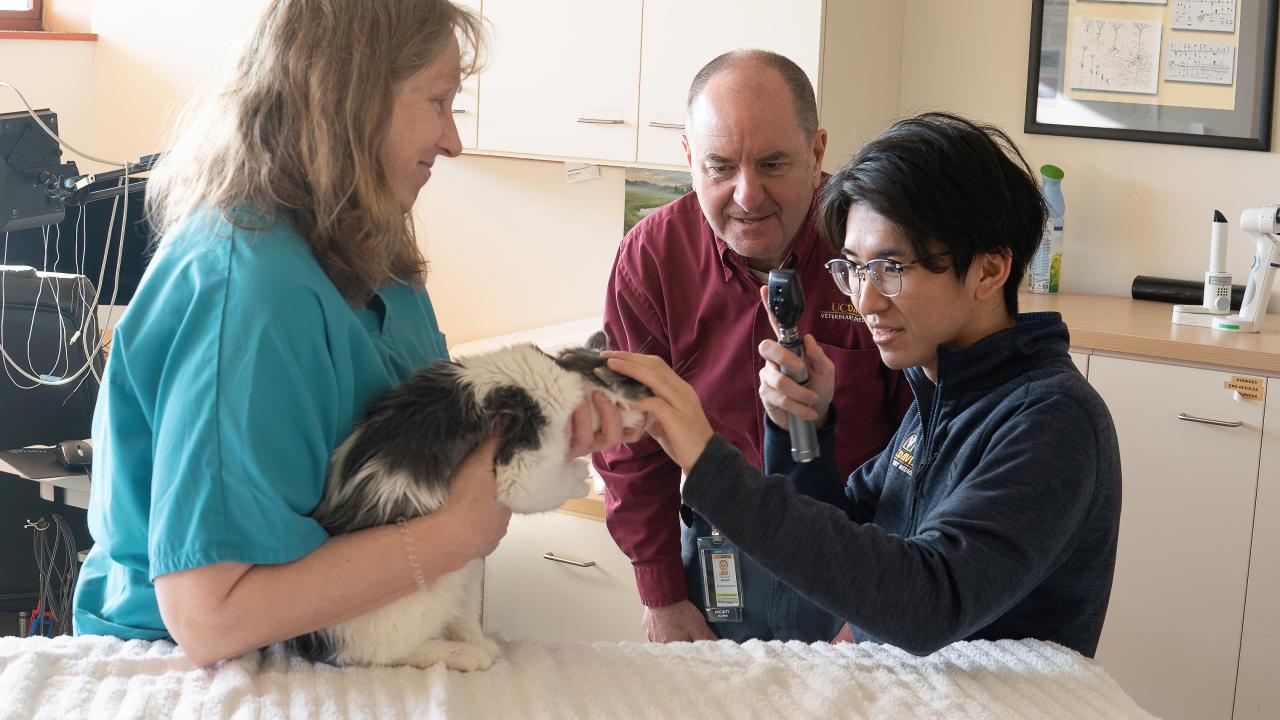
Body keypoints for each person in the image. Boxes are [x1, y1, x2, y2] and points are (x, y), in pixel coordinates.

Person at [71, 0, 633, 667]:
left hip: (343, 649)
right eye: (439, 102)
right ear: (353, 104)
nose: (452, 141)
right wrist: (454, 537)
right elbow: (209, 616)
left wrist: (547, 431)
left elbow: (421, 467)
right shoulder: (248, 290)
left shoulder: (370, 247)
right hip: (204, 675)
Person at [605, 112, 1122, 657]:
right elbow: (841, 529)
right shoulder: (939, 398)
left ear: (990, 271)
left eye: (892, 268)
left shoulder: (1051, 420)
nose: (865, 301)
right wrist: (802, 428)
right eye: (852, 269)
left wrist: (704, 461)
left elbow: (927, 603)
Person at [593, 49, 911, 644]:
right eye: (718, 167)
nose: (746, 195)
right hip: (717, 558)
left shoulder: (874, 247)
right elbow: (626, 442)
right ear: (688, 158)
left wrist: (881, 609)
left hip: (860, 555)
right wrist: (661, 593)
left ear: (817, 152)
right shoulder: (652, 258)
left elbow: (923, 439)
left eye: (772, 164)